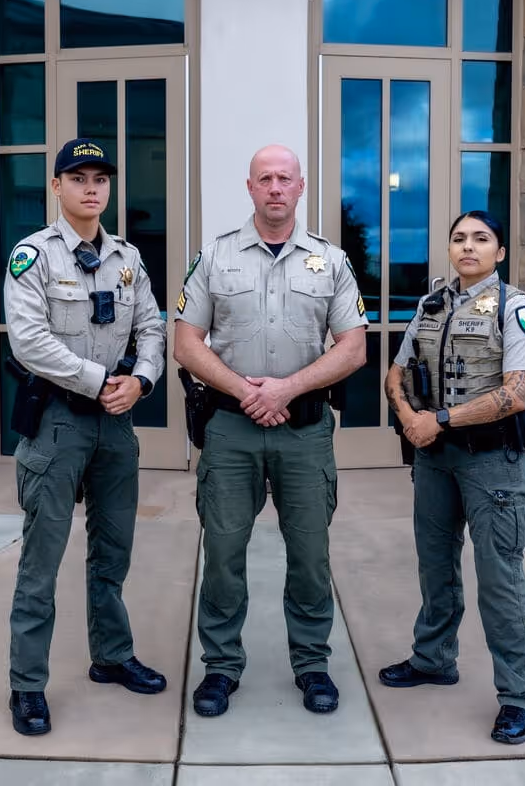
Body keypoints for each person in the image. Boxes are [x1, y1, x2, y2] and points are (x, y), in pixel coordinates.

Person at [174, 144, 367, 717]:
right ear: (250, 187)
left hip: (304, 432)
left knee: (310, 555)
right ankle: (220, 668)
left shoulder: (330, 262)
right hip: (231, 431)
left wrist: (286, 389)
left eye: (286, 178)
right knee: (224, 552)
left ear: (301, 187)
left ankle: (312, 665)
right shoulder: (215, 257)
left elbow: (354, 349)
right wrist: (248, 392)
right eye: (266, 178)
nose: (276, 187)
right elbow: (186, 342)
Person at [3, 138, 167, 736]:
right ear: (57, 187)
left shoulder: (128, 257)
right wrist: (103, 380)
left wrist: (142, 380)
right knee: (41, 561)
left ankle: (112, 656)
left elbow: (152, 326)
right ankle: (26, 686)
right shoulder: (33, 255)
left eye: (100, 178)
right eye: (78, 178)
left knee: (113, 552)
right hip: (59, 423)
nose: (91, 188)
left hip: (117, 425)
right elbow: (28, 340)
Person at [380, 210, 525, 745]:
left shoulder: (515, 308)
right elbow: (395, 372)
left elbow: (516, 394)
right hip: (433, 458)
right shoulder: (431, 305)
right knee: (435, 567)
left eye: (481, 239)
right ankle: (433, 660)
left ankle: (520, 696)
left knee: (500, 580)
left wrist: (440, 420)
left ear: (499, 252)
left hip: (493, 462)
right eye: (458, 239)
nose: (467, 247)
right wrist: (409, 419)